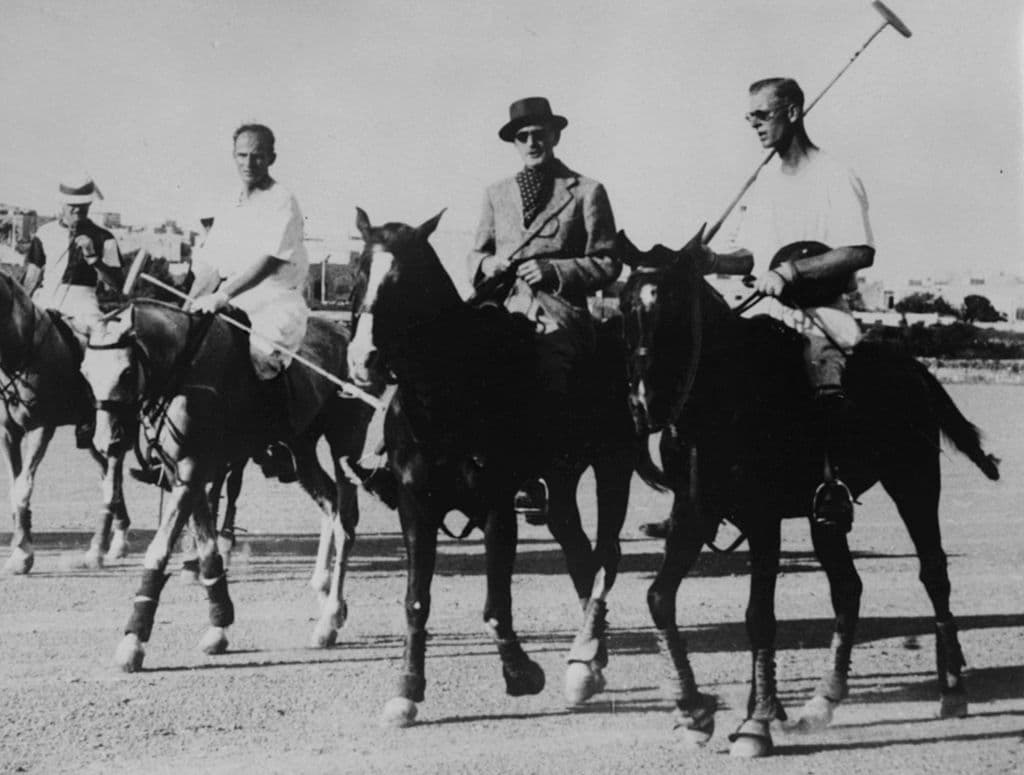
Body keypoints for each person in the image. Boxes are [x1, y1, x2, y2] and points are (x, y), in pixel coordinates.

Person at [705, 77, 875, 529]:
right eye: (750, 118)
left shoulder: (835, 175)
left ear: (794, 112)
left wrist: (793, 273)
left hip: (820, 314)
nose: (754, 125)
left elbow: (859, 251)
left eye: (762, 115)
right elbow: (749, 256)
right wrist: (709, 258)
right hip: (765, 312)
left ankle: (830, 484)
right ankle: (707, 493)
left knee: (822, 374)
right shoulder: (762, 183)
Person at [467, 97, 621, 523]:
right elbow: (475, 254)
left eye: (540, 134)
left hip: (558, 312)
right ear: (514, 143)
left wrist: (555, 270)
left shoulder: (586, 191)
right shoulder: (496, 194)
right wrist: (487, 264)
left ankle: (537, 477)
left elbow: (608, 261)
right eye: (523, 137)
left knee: (544, 365)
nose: (532, 142)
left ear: (555, 135)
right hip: (501, 306)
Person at [190, 123, 310, 483]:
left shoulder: (282, 200)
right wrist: (187, 307)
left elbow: (268, 261)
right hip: (226, 298)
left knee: (259, 356)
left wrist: (222, 295)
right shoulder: (229, 202)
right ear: (233, 156)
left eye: (257, 155)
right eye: (242, 155)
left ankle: (275, 442)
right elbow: (211, 265)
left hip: (274, 300)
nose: (249, 162)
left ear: (271, 157)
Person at [23, 174, 124, 447]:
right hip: (47, 300)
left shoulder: (105, 238)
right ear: (62, 204)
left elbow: (117, 286)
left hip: (84, 304)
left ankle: (87, 415)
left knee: (96, 350)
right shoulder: (44, 234)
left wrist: (94, 258)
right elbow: (31, 277)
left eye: (82, 207)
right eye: (72, 207)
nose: (77, 212)